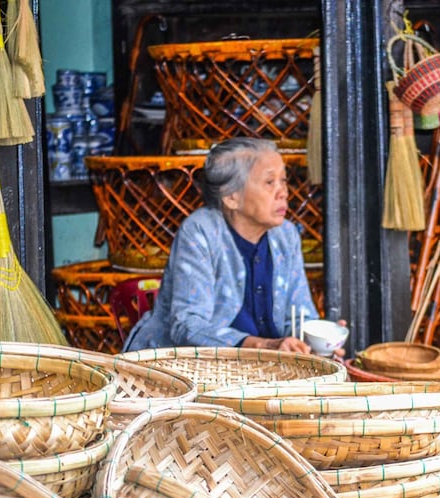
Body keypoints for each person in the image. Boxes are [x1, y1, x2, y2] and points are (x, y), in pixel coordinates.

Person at [124, 137, 329, 354]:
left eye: (284, 181)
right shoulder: (200, 231)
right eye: (270, 183)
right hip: (186, 373)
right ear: (231, 197)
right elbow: (187, 326)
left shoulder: (286, 235)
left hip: (263, 371)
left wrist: (316, 340)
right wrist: (263, 346)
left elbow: (300, 315)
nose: (283, 192)